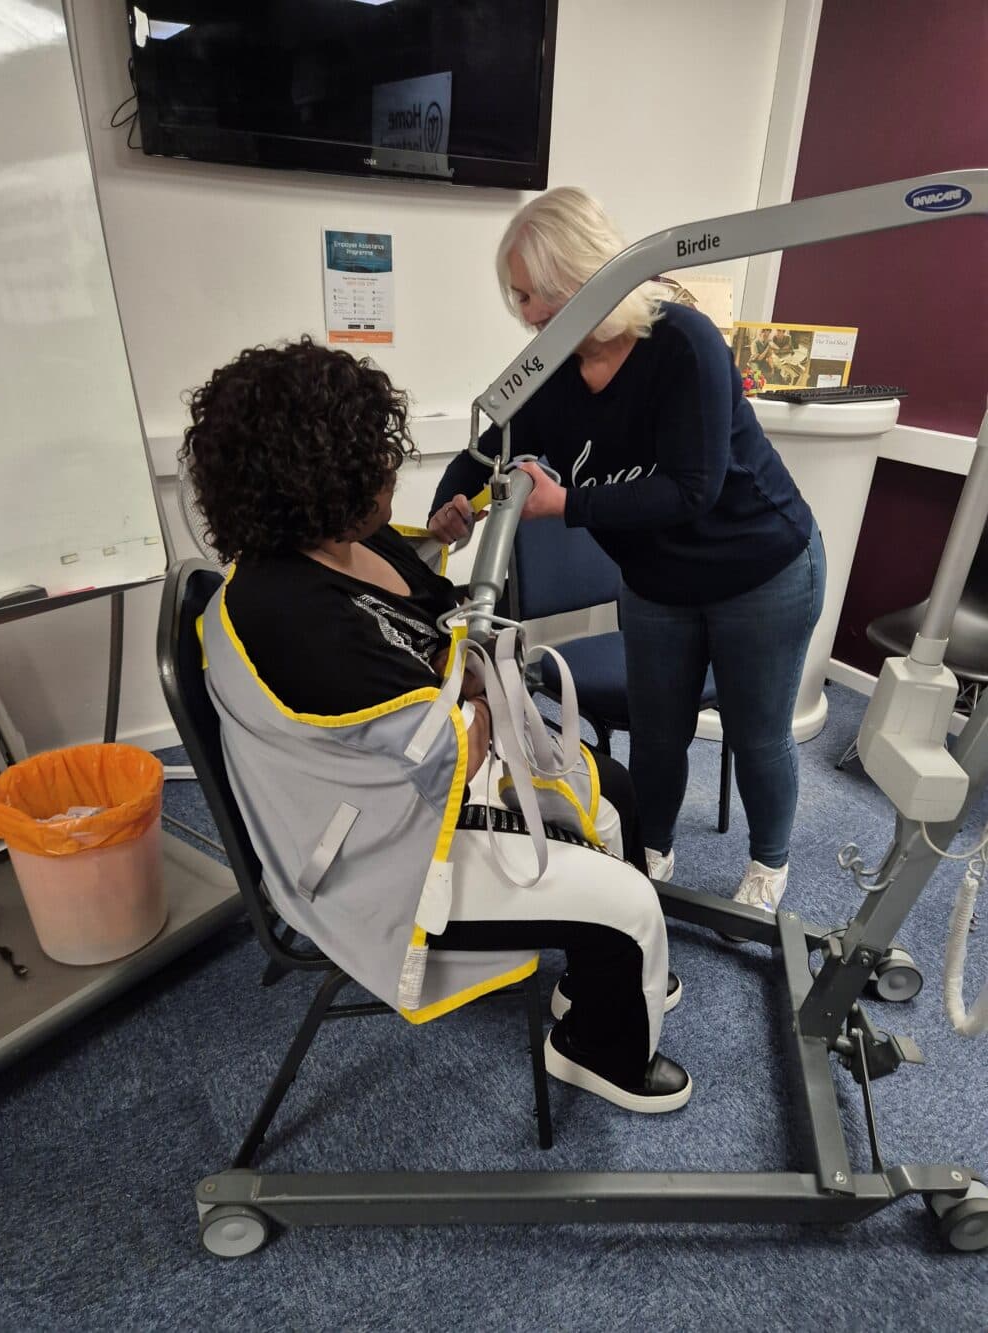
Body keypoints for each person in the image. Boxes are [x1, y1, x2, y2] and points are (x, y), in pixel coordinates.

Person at [180, 335, 691, 1115]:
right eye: (375, 455)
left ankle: (598, 983)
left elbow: (424, 616)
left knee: (611, 784)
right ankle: (597, 1049)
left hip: (422, 765)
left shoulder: (351, 538)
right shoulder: (284, 612)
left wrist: (450, 565)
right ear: (316, 475)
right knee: (628, 907)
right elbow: (440, 745)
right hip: (388, 840)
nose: (393, 467)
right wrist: (485, 702)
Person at [429, 188, 827, 920]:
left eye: (535, 294)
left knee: (757, 730)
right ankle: (653, 847)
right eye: (516, 297)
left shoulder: (683, 344)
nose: (525, 314)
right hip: (656, 581)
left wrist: (569, 505)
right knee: (658, 730)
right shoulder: (551, 370)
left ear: (584, 278)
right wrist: (451, 503)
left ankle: (769, 863)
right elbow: (490, 447)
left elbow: (693, 490)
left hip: (760, 566)